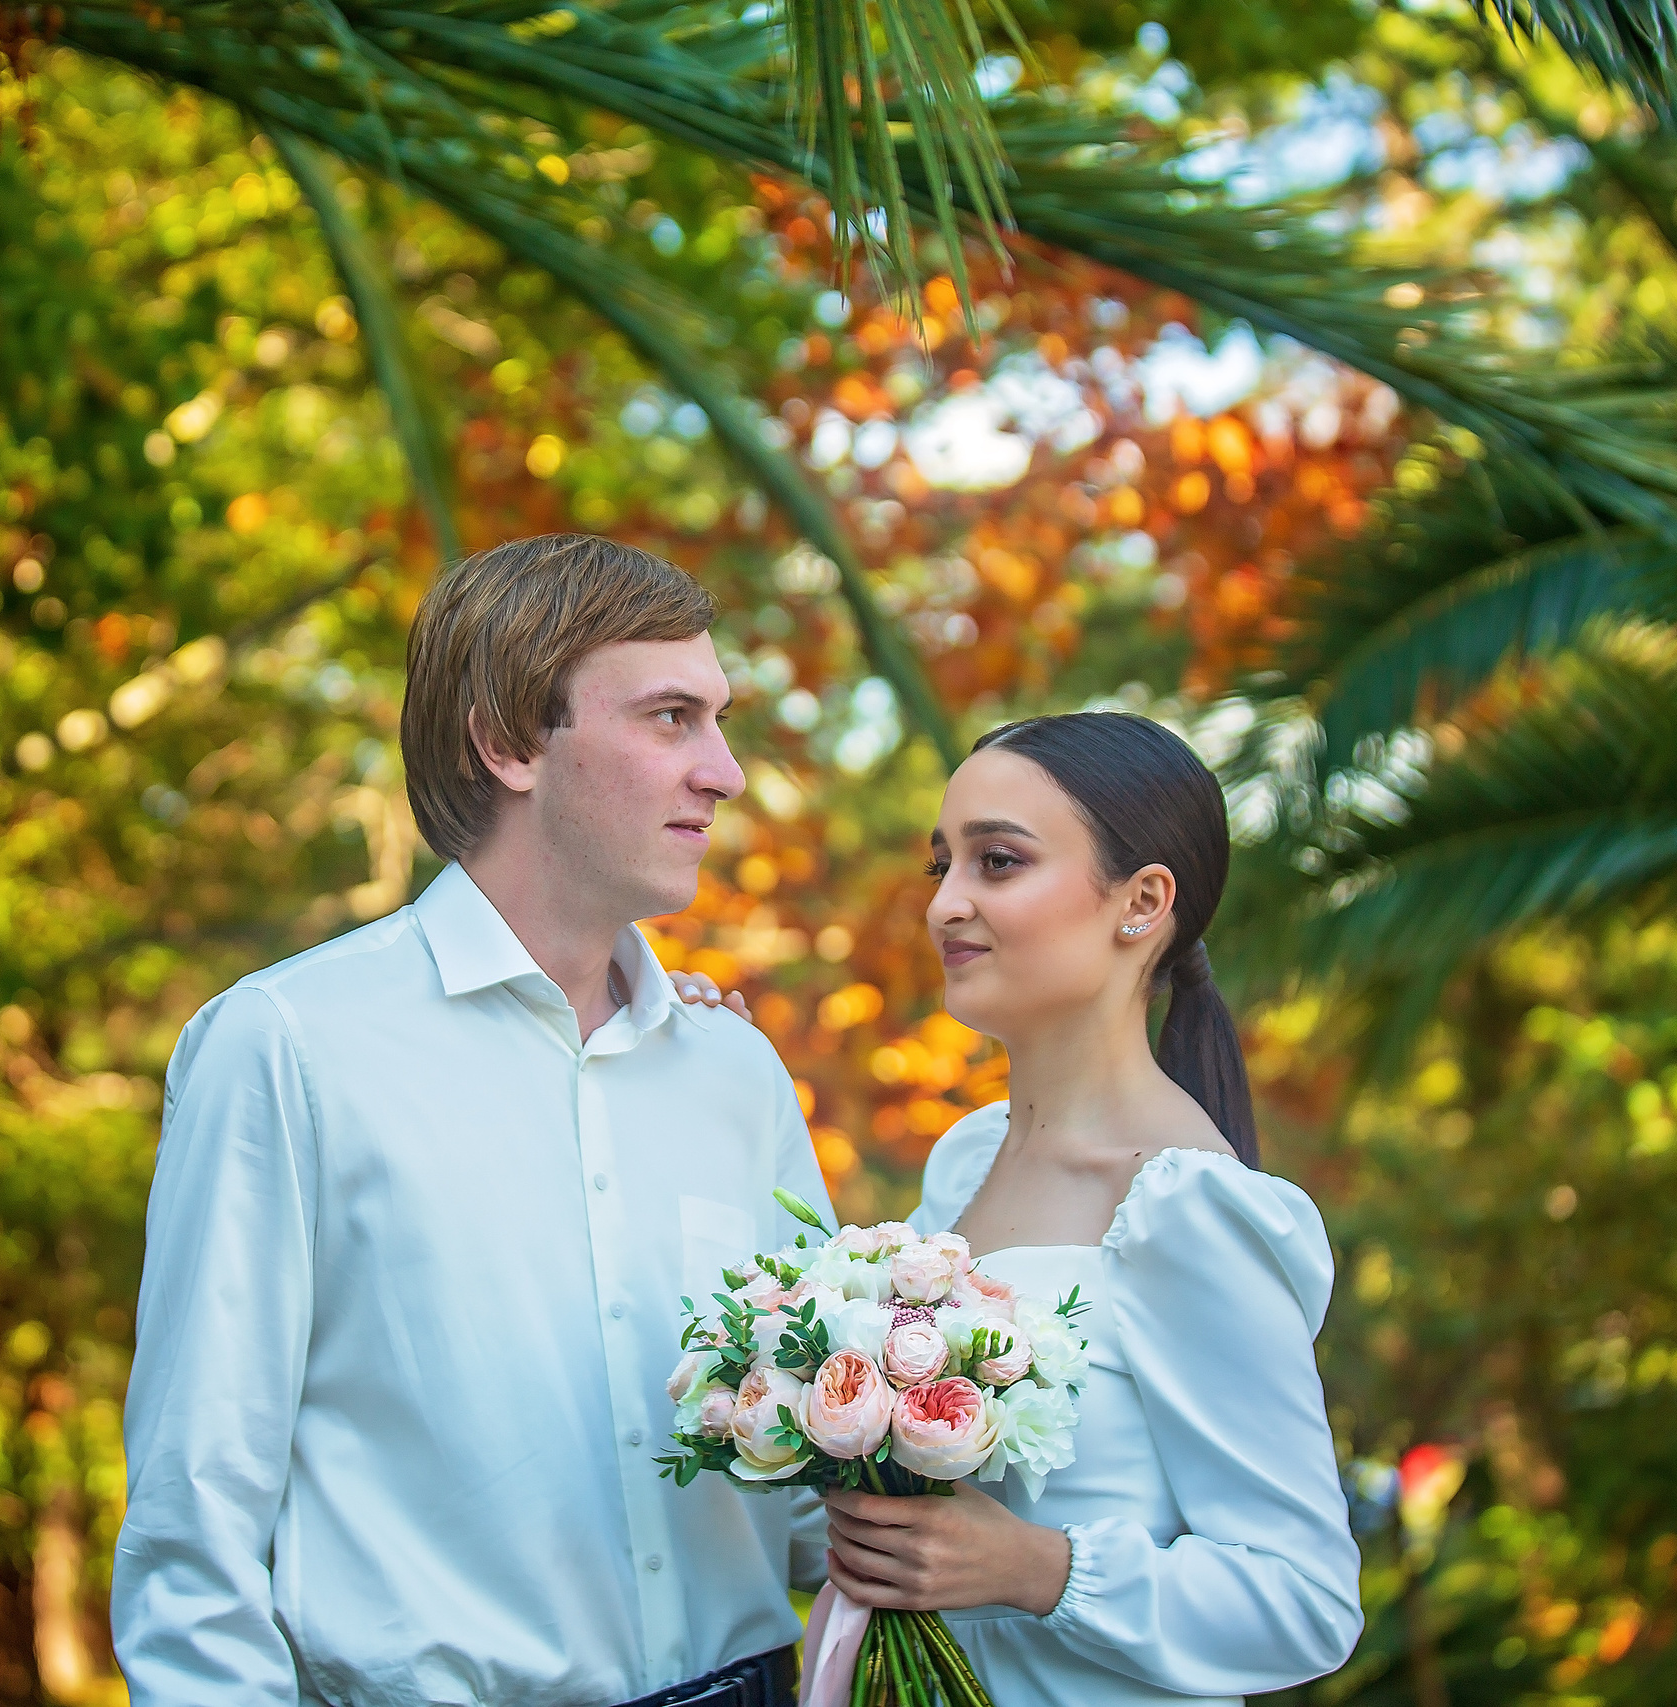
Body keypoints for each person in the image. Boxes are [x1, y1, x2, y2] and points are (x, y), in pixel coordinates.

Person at [112, 534, 829, 1707]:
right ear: (507, 744)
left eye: (718, 720)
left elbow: (803, 1492)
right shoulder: (288, 1047)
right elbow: (197, 1511)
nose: (725, 773)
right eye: (670, 719)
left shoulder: (735, 1071)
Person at [680, 711, 1363, 1706]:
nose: (945, 904)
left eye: (997, 862)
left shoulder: (1186, 1208)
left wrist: (1039, 1569)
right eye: (941, 865)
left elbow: (1306, 1602)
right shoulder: (965, 1161)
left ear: (1141, 902)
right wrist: (693, 1070)